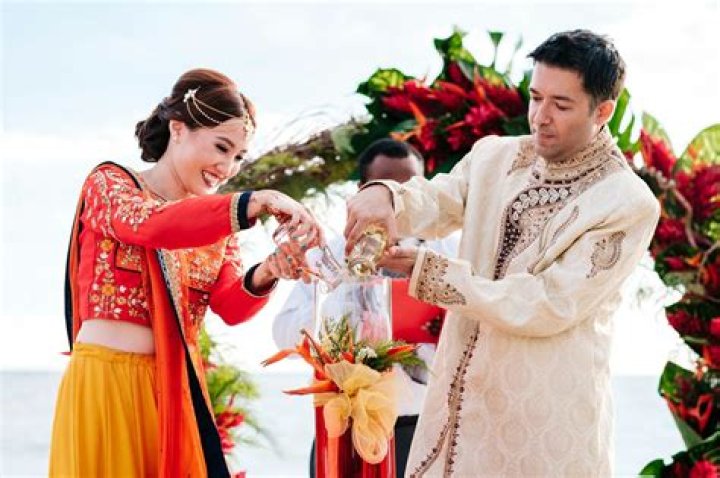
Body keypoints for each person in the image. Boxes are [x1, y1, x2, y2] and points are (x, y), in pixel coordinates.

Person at [344, 30, 660, 477]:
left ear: (603, 111)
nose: (540, 117)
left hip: (545, 428)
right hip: (456, 416)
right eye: (536, 97)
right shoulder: (495, 157)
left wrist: (435, 274)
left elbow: (549, 302)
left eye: (561, 104)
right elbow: (438, 200)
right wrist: (388, 196)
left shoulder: (626, 202)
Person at [49, 68, 322, 478]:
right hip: (107, 385)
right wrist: (254, 201)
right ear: (178, 129)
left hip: (175, 391)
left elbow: (230, 306)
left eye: (238, 157)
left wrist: (269, 270)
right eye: (221, 147)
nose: (227, 167)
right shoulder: (110, 185)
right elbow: (150, 225)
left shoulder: (216, 227)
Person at [272, 138, 459, 478]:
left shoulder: (449, 253)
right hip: (346, 428)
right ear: (362, 192)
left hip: (429, 430)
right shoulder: (324, 255)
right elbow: (283, 335)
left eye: (408, 190)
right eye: (386, 189)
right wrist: (351, 302)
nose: (397, 202)